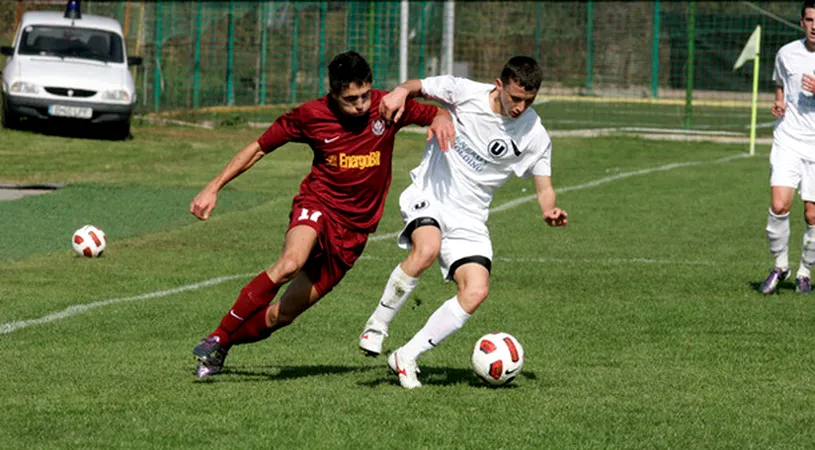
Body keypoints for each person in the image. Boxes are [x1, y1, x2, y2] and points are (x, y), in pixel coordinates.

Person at [189, 51, 454, 378]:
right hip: (318, 205)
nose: (360, 105)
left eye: (364, 95)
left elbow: (435, 113)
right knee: (290, 264)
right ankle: (217, 333)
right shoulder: (311, 115)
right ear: (333, 94)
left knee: (281, 316)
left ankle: (221, 348)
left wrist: (440, 116)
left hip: (354, 233)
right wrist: (213, 186)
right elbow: (259, 147)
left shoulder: (388, 106)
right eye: (350, 99)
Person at [357, 56, 568, 389]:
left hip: (470, 217)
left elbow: (544, 186)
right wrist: (400, 92)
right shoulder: (466, 92)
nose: (520, 106)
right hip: (431, 193)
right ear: (499, 85)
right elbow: (419, 86)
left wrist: (549, 210)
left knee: (476, 290)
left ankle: (406, 356)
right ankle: (377, 326)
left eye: (528, 100)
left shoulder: (534, 132)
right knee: (427, 248)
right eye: (515, 97)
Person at [759, 0, 815, 295]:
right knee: (779, 205)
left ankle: (805, 272)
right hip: (789, 139)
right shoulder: (787, 53)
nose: (814, 25)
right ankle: (781, 266)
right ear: (802, 22)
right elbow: (781, 82)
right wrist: (780, 101)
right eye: (809, 19)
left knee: (812, 216)